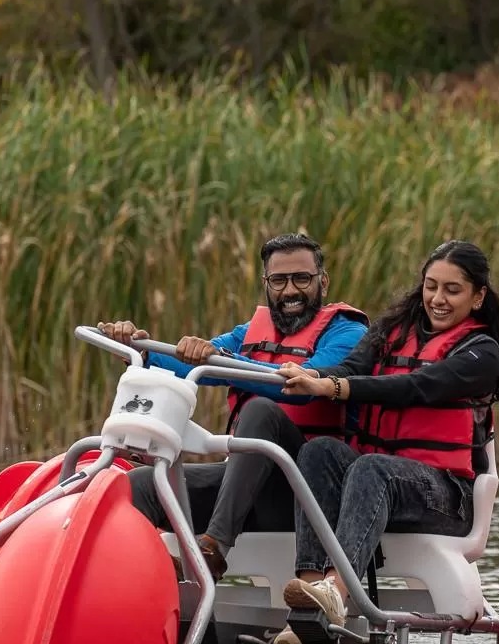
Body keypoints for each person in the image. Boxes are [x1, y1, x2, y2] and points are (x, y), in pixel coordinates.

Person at [269, 239, 499, 644]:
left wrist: (335, 387)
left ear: (478, 297)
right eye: (431, 286)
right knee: (317, 452)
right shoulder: (391, 332)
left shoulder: (482, 352)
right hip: (382, 484)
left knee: (372, 467)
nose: (437, 299)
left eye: (452, 290)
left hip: (446, 497)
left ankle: (338, 591)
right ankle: (310, 602)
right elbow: (350, 369)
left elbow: (419, 386)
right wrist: (309, 374)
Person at [98, 233, 367, 580]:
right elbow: (189, 367)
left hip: (309, 495)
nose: (290, 292)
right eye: (279, 281)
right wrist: (140, 350)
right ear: (266, 284)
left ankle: (213, 550)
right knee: (140, 484)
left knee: (261, 411)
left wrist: (222, 359)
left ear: (323, 282)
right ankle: (137, 588)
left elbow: (302, 389)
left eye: (302, 279)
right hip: (245, 486)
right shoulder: (247, 334)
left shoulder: (349, 333)